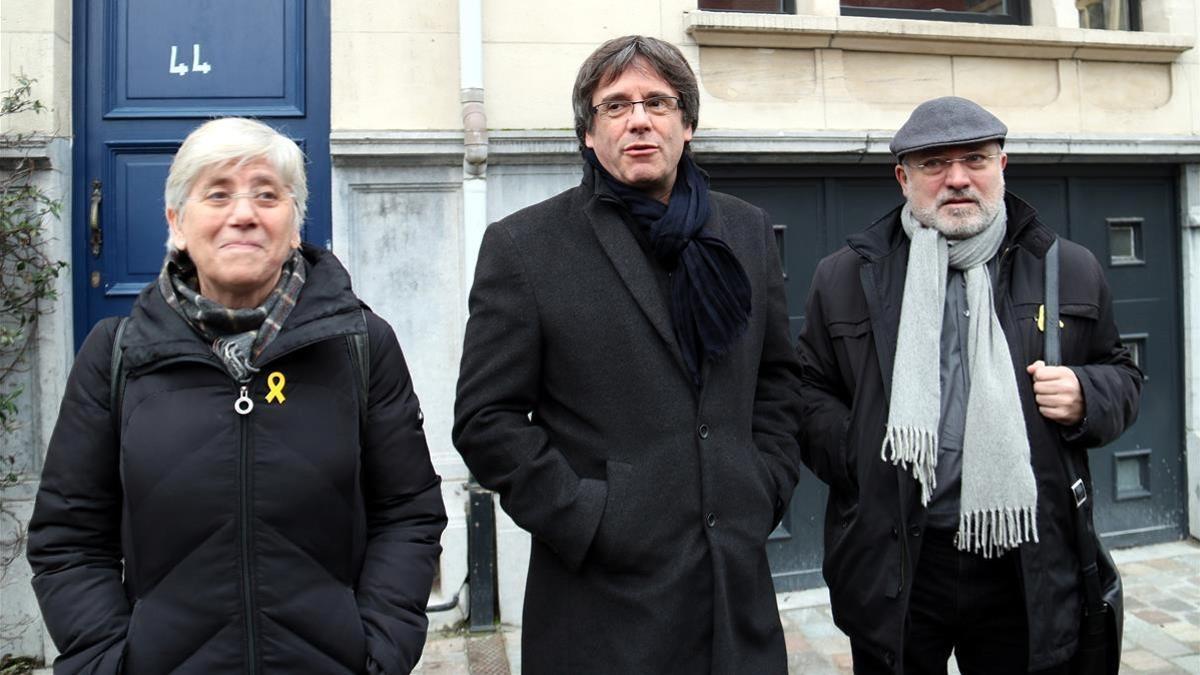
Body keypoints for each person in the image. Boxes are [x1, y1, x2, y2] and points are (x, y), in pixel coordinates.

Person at [27, 117, 447, 675]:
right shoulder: (115, 354)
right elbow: (69, 536)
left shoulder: (361, 346)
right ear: (177, 222)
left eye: (267, 195)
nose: (243, 214)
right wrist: (107, 663)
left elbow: (408, 515)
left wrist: (379, 652)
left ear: (295, 225)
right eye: (218, 194)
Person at [453, 35, 802, 674]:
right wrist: (590, 516)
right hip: (604, 609)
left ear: (687, 124)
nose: (638, 119)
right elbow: (486, 420)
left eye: (657, 102)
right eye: (615, 106)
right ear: (589, 134)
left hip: (735, 596)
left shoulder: (744, 229)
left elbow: (779, 378)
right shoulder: (525, 246)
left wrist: (765, 483)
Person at [796, 96, 1142, 674]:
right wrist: (860, 451)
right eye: (934, 164)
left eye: (975, 159)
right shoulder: (847, 276)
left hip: (1024, 559)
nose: (957, 179)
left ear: (1001, 167)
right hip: (898, 557)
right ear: (903, 177)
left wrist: (1087, 394)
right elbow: (806, 392)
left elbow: (1123, 374)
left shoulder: (1066, 265)